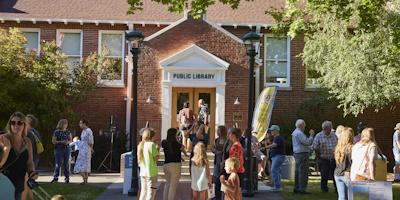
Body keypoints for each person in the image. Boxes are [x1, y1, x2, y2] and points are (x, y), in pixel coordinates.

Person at [0, 112, 36, 200]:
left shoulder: (27, 142)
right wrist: (6, 149)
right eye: (13, 122)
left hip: (19, 182)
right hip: (4, 182)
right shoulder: (2, 139)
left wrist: (32, 172)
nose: (16, 125)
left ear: (24, 125)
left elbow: (30, 162)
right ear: (10, 124)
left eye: (20, 123)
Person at [312, 121, 337, 193]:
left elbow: (338, 145)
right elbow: (315, 147)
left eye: (329, 129)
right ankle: (324, 189)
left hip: (333, 158)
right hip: (323, 158)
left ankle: (336, 188)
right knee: (324, 174)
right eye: (327, 129)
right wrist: (318, 157)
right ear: (323, 129)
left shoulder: (334, 135)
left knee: (334, 174)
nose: (328, 130)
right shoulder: (318, 136)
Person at [292, 119, 315, 194]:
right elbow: (307, 142)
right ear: (301, 125)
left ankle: (297, 188)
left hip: (298, 154)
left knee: (298, 171)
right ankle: (302, 189)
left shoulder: (295, 132)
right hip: (302, 154)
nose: (305, 127)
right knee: (303, 172)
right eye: (304, 125)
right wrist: (311, 135)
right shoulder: (299, 133)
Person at [161, 128, 185, 200]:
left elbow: (170, 152)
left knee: (167, 184)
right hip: (175, 166)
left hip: (166, 165)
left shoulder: (164, 142)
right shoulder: (177, 143)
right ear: (174, 135)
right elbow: (183, 147)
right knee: (173, 187)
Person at [138, 128, 159, 200]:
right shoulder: (152, 145)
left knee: (143, 192)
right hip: (151, 172)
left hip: (143, 172)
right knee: (151, 192)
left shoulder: (141, 145)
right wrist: (157, 149)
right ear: (152, 136)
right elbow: (156, 158)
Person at [264, 125, 285, 192]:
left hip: (278, 156)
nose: (271, 132)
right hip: (276, 157)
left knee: (274, 170)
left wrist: (265, 147)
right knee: (277, 171)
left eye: (272, 130)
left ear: (276, 131)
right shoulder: (276, 138)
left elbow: (274, 145)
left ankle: (277, 187)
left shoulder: (278, 138)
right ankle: (278, 186)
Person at [334, 127, 354, 200]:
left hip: (337, 174)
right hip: (347, 174)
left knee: (342, 197)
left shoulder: (338, 147)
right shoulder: (351, 148)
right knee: (351, 197)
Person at [51, 119, 72, 183]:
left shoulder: (68, 131)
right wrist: (61, 142)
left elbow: (70, 140)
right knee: (58, 163)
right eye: (65, 124)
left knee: (66, 164)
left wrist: (67, 142)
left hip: (66, 148)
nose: (66, 125)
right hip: (58, 148)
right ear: (62, 124)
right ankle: (55, 177)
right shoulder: (56, 132)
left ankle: (67, 178)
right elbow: (53, 141)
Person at [74, 119, 94, 184]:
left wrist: (91, 148)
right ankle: (84, 180)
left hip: (86, 149)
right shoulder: (83, 131)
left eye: (81, 123)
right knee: (81, 164)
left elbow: (91, 140)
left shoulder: (88, 130)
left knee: (85, 164)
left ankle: (85, 180)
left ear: (84, 124)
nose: (79, 125)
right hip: (82, 149)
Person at [212, 125, 227, 200]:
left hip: (224, 161)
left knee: (223, 179)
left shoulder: (227, 140)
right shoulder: (216, 140)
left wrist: (222, 152)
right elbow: (213, 148)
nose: (217, 132)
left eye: (218, 130)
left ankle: (222, 196)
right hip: (217, 161)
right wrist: (216, 151)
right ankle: (216, 196)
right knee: (216, 179)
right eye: (217, 130)